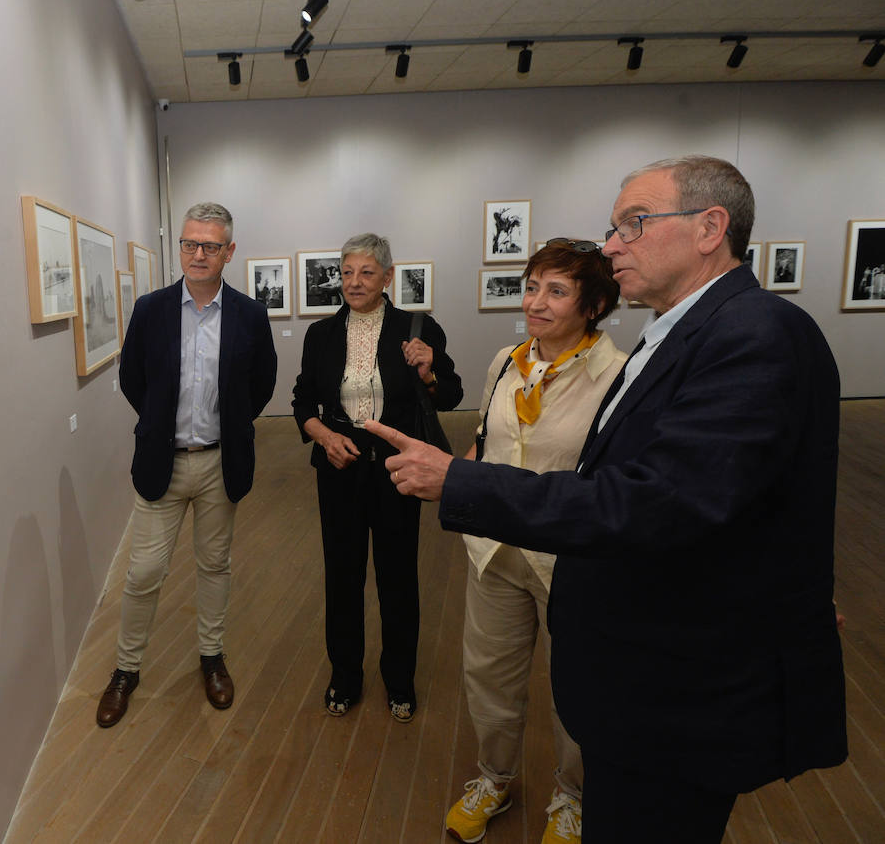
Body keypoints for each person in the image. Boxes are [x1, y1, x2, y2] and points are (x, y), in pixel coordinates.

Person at [367, 156, 847, 842]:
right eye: (615, 227)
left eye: (635, 223)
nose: (615, 243)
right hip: (623, 648)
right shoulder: (677, 335)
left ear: (711, 227)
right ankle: (501, 779)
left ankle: (570, 793)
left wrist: (461, 482)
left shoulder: (752, 333)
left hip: (681, 689)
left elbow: (659, 501)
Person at [444, 240, 624, 843]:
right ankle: (493, 779)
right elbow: (485, 441)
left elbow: (616, 481)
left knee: (577, 684)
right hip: (495, 551)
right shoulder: (505, 362)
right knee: (489, 675)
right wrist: (455, 483)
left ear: (594, 304)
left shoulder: (617, 376)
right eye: (531, 286)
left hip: (570, 558)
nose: (535, 303)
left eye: (556, 291)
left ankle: (572, 796)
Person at [96, 202, 277, 729]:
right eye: (189, 244)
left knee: (214, 566)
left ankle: (211, 656)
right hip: (163, 463)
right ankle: (126, 669)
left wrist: (232, 425)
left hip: (221, 464)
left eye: (210, 246)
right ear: (180, 246)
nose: (198, 254)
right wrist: (158, 424)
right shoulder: (151, 310)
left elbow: (260, 385)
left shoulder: (249, 315)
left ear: (229, 252)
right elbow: (134, 380)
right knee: (145, 571)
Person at [292, 234, 462, 723]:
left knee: (397, 576)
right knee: (342, 576)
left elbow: (449, 395)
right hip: (339, 466)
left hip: (395, 468)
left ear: (388, 277)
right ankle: (344, 675)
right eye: (347, 272)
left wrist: (428, 373)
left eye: (366, 273)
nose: (354, 282)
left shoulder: (419, 328)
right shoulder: (320, 335)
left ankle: (399, 679)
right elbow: (303, 402)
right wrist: (324, 437)